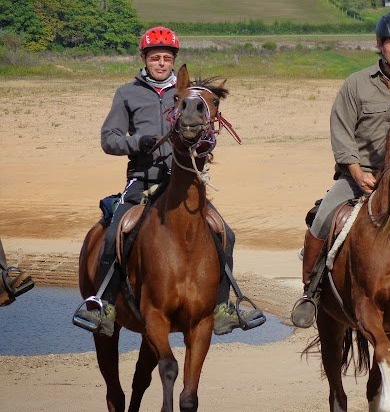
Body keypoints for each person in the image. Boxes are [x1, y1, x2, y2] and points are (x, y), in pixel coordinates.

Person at [73, 26, 264, 337]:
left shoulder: (188, 95)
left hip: (183, 182)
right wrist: (137, 143)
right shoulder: (127, 94)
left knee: (225, 233)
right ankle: (104, 305)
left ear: (174, 60)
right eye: (154, 57)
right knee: (113, 234)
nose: (160, 63)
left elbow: (206, 129)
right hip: (142, 180)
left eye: (166, 58)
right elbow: (109, 140)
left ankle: (223, 306)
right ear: (144, 59)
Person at [290, 11, 390, 328]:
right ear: (379, 45)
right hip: (361, 176)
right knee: (322, 218)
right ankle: (310, 293)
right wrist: (357, 172)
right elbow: (341, 131)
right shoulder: (357, 84)